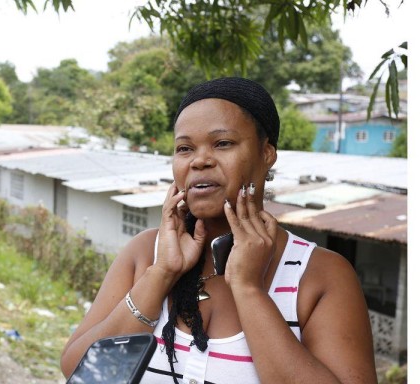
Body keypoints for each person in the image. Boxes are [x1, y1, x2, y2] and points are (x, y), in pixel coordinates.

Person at [60, 77, 377, 383]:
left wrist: (248, 288)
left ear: (266, 153)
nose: (199, 161)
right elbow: (78, 370)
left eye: (222, 143)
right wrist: (160, 275)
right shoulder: (145, 254)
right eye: (185, 149)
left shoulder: (319, 275)